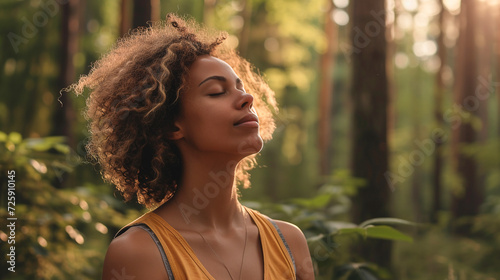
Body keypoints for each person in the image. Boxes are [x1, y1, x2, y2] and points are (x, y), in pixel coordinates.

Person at [72, 14, 314, 280]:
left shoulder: (290, 243)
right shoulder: (139, 253)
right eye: (216, 92)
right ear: (172, 126)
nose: (247, 98)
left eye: (240, 88)